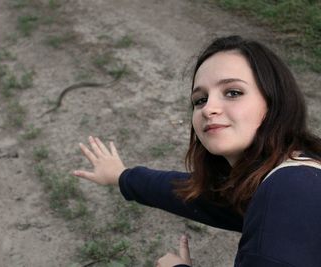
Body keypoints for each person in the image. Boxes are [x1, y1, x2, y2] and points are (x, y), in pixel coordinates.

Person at [73, 35, 321, 267]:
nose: (208, 108)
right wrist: (122, 176)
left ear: (275, 101)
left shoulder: (290, 191)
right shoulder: (290, 172)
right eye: (200, 100)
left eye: (233, 92)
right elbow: (200, 196)